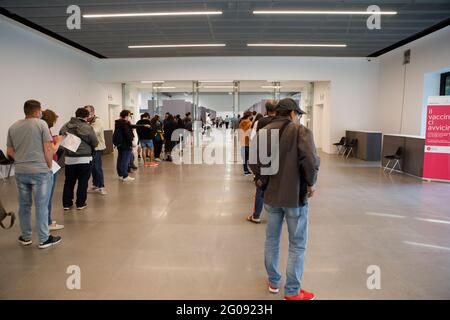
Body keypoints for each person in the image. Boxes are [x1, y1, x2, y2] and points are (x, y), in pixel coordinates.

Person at [249, 98, 320, 300]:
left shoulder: (262, 132)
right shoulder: (300, 131)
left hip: (271, 196)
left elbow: (252, 162)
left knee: (271, 240)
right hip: (294, 197)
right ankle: (292, 292)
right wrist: (310, 183)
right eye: (297, 113)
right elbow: (310, 160)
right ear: (291, 113)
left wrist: (263, 180)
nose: (297, 117)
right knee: (297, 244)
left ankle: (273, 281)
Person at [7, 100, 62, 249]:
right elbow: (48, 149)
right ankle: (44, 239)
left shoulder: (13, 126)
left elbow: (9, 152)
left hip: (20, 171)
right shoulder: (41, 124)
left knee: (24, 205)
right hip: (40, 171)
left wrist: (21, 160)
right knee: (41, 205)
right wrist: (49, 165)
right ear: (38, 111)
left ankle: (26, 237)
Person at [60, 108, 98, 210]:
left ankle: (66, 204)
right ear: (87, 116)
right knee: (83, 181)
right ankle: (80, 204)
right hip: (84, 159)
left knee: (69, 182)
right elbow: (95, 142)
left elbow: (60, 138)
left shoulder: (65, 126)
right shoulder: (87, 127)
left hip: (69, 159)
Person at [247, 101, 277, 223]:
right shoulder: (285, 122)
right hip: (279, 159)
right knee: (278, 186)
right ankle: (277, 216)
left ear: (266, 109)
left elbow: (253, 139)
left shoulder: (260, 122)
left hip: (263, 158)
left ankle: (256, 215)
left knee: (260, 188)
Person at [41, 109, 64, 230]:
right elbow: (52, 150)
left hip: (45, 164)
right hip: (50, 165)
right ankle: (47, 223)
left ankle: (46, 220)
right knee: (47, 196)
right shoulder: (45, 130)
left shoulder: (41, 130)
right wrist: (58, 141)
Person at [85, 105, 107, 196]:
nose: (87, 114)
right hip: (89, 148)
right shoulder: (86, 122)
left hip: (97, 148)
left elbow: (94, 132)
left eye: (88, 112)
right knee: (92, 168)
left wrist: (84, 126)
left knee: (97, 167)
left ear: (93, 112)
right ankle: (95, 185)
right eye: (85, 112)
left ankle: (101, 186)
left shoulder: (98, 121)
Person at [239, 111, 253, 175]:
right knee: (249, 158)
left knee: (244, 158)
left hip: (242, 142)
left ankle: (245, 170)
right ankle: (249, 170)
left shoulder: (241, 122)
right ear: (249, 116)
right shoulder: (250, 123)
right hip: (248, 143)